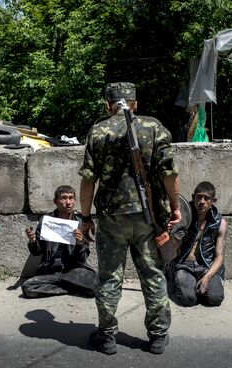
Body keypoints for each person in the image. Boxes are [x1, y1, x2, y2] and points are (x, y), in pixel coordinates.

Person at [79, 82, 181, 355]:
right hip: (149, 217)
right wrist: (175, 208)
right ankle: (158, 336)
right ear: (135, 104)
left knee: (110, 277)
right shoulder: (154, 127)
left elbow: (88, 181)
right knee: (152, 274)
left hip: (112, 218)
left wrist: (85, 217)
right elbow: (169, 174)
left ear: (108, 105)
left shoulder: (98, 131)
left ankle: (107, 336)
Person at [21, 185, 98, 298]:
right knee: (28, 287)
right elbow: (37, 252)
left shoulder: (81, 223)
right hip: (50, 271)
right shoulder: (47, 221)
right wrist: (33, 241)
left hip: (74, 271)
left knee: (95, 285)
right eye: (64, 198)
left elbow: (82, 258)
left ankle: (63, 285)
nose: (68, 202)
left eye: (71, 198)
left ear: (75, 201)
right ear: (55, 201)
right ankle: (71, 287)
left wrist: (80, 243)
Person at [168, 181, 227, 307]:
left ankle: (198, 283)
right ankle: (179, 282)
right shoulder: (182, 218)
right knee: (188, 299)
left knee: (215, 298)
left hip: (205, 266)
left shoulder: (219, 223)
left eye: (207, 198)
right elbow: (170, 253)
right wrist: (176, 241)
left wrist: (207, 277)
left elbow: (219, 256)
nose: (202, 201)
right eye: (199, 197)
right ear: (193, 197)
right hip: (184, 265)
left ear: (213, 200)